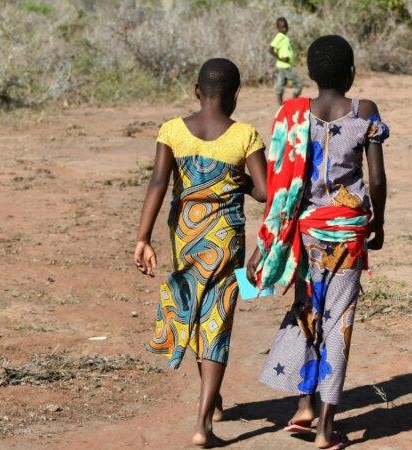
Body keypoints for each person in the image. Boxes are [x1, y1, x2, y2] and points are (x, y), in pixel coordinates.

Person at [247, 35, 389, 449]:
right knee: (337, 324)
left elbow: (280, 183)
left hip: (306, 233)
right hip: (348, 233)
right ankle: (326, 429)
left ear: (309, 74)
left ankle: (304, 406)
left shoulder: (294, 115)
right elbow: (376, 180)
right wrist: (378, 222)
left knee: (307, 311)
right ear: (352, 74)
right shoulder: (364, 111)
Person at [133, 58, 268, 447]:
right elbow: (264, 192)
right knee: (218, 319)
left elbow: (159, 181)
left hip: (185, 238)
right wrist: (235, 178)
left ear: (196, 90)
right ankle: (204, 421)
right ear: (236, 95)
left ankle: (213, 399)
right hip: (227, 240)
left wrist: (142, 238)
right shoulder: (245, 136)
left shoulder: (172, 131)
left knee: (194, 307)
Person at [270, 17, 303, 106]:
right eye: (282, 27)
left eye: (286, 27)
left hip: (283, 66)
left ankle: (281, 106)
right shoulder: (280, 36)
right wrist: (281, 58)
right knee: (298, 84)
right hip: (284, 66)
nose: (285, 29)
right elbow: (271, 49)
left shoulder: (284, 37)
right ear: (278, 28)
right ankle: (292, 104)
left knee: (280, 86)